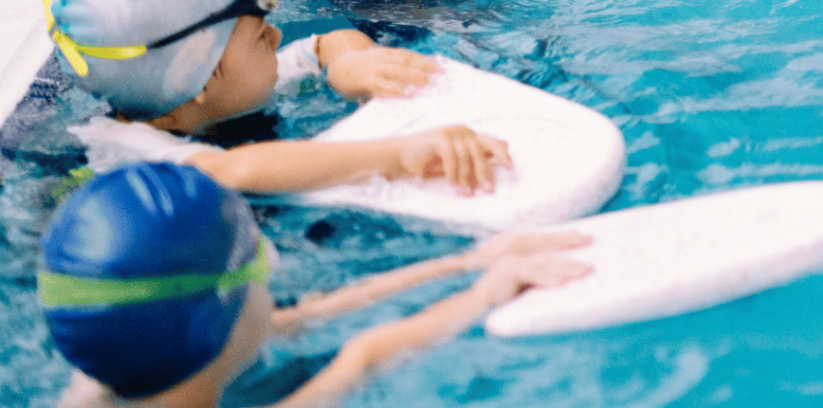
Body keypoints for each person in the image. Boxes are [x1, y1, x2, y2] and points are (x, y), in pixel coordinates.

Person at [43, 162, 591, 407]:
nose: (274, 287)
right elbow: (363, 358)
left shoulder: (103, 376)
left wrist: (466, 263)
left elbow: (302, 316)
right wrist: (486, 294)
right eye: (260, 264)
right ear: (218, 314)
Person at [42, 0, 510, 196]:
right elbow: (236, 171)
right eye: (261, 37)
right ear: (195, 77)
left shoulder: (203, 90)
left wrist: (348, 63)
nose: (280, 35)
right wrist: (397, 153)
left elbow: (327, 43)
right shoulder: (127, 151)